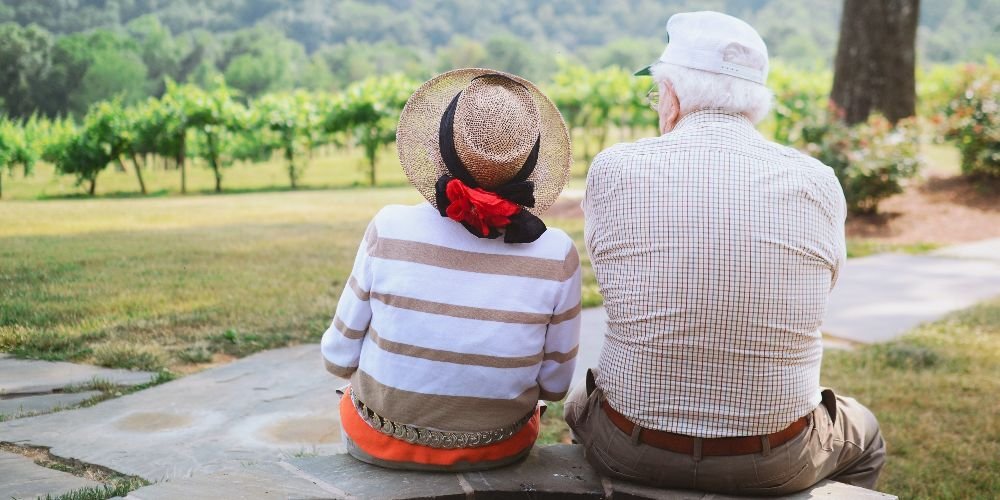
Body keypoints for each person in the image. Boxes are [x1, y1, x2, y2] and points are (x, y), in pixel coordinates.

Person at [565, 11, 886, 495]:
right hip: (777, 458)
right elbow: (825, 285)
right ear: (754, 103)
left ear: (672, 94)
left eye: (657, 92)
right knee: (867, 434)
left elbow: (614, 277)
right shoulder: (817, 180)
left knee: (578, 405)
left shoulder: (616, 168)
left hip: (629, 446)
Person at [321, 69, 582, 471]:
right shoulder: (556, 252)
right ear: (529, 162)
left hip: (378, 439)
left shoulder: (389, 227)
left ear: (442, 146)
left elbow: (337, 357)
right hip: (500, 447)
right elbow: (556, 386)